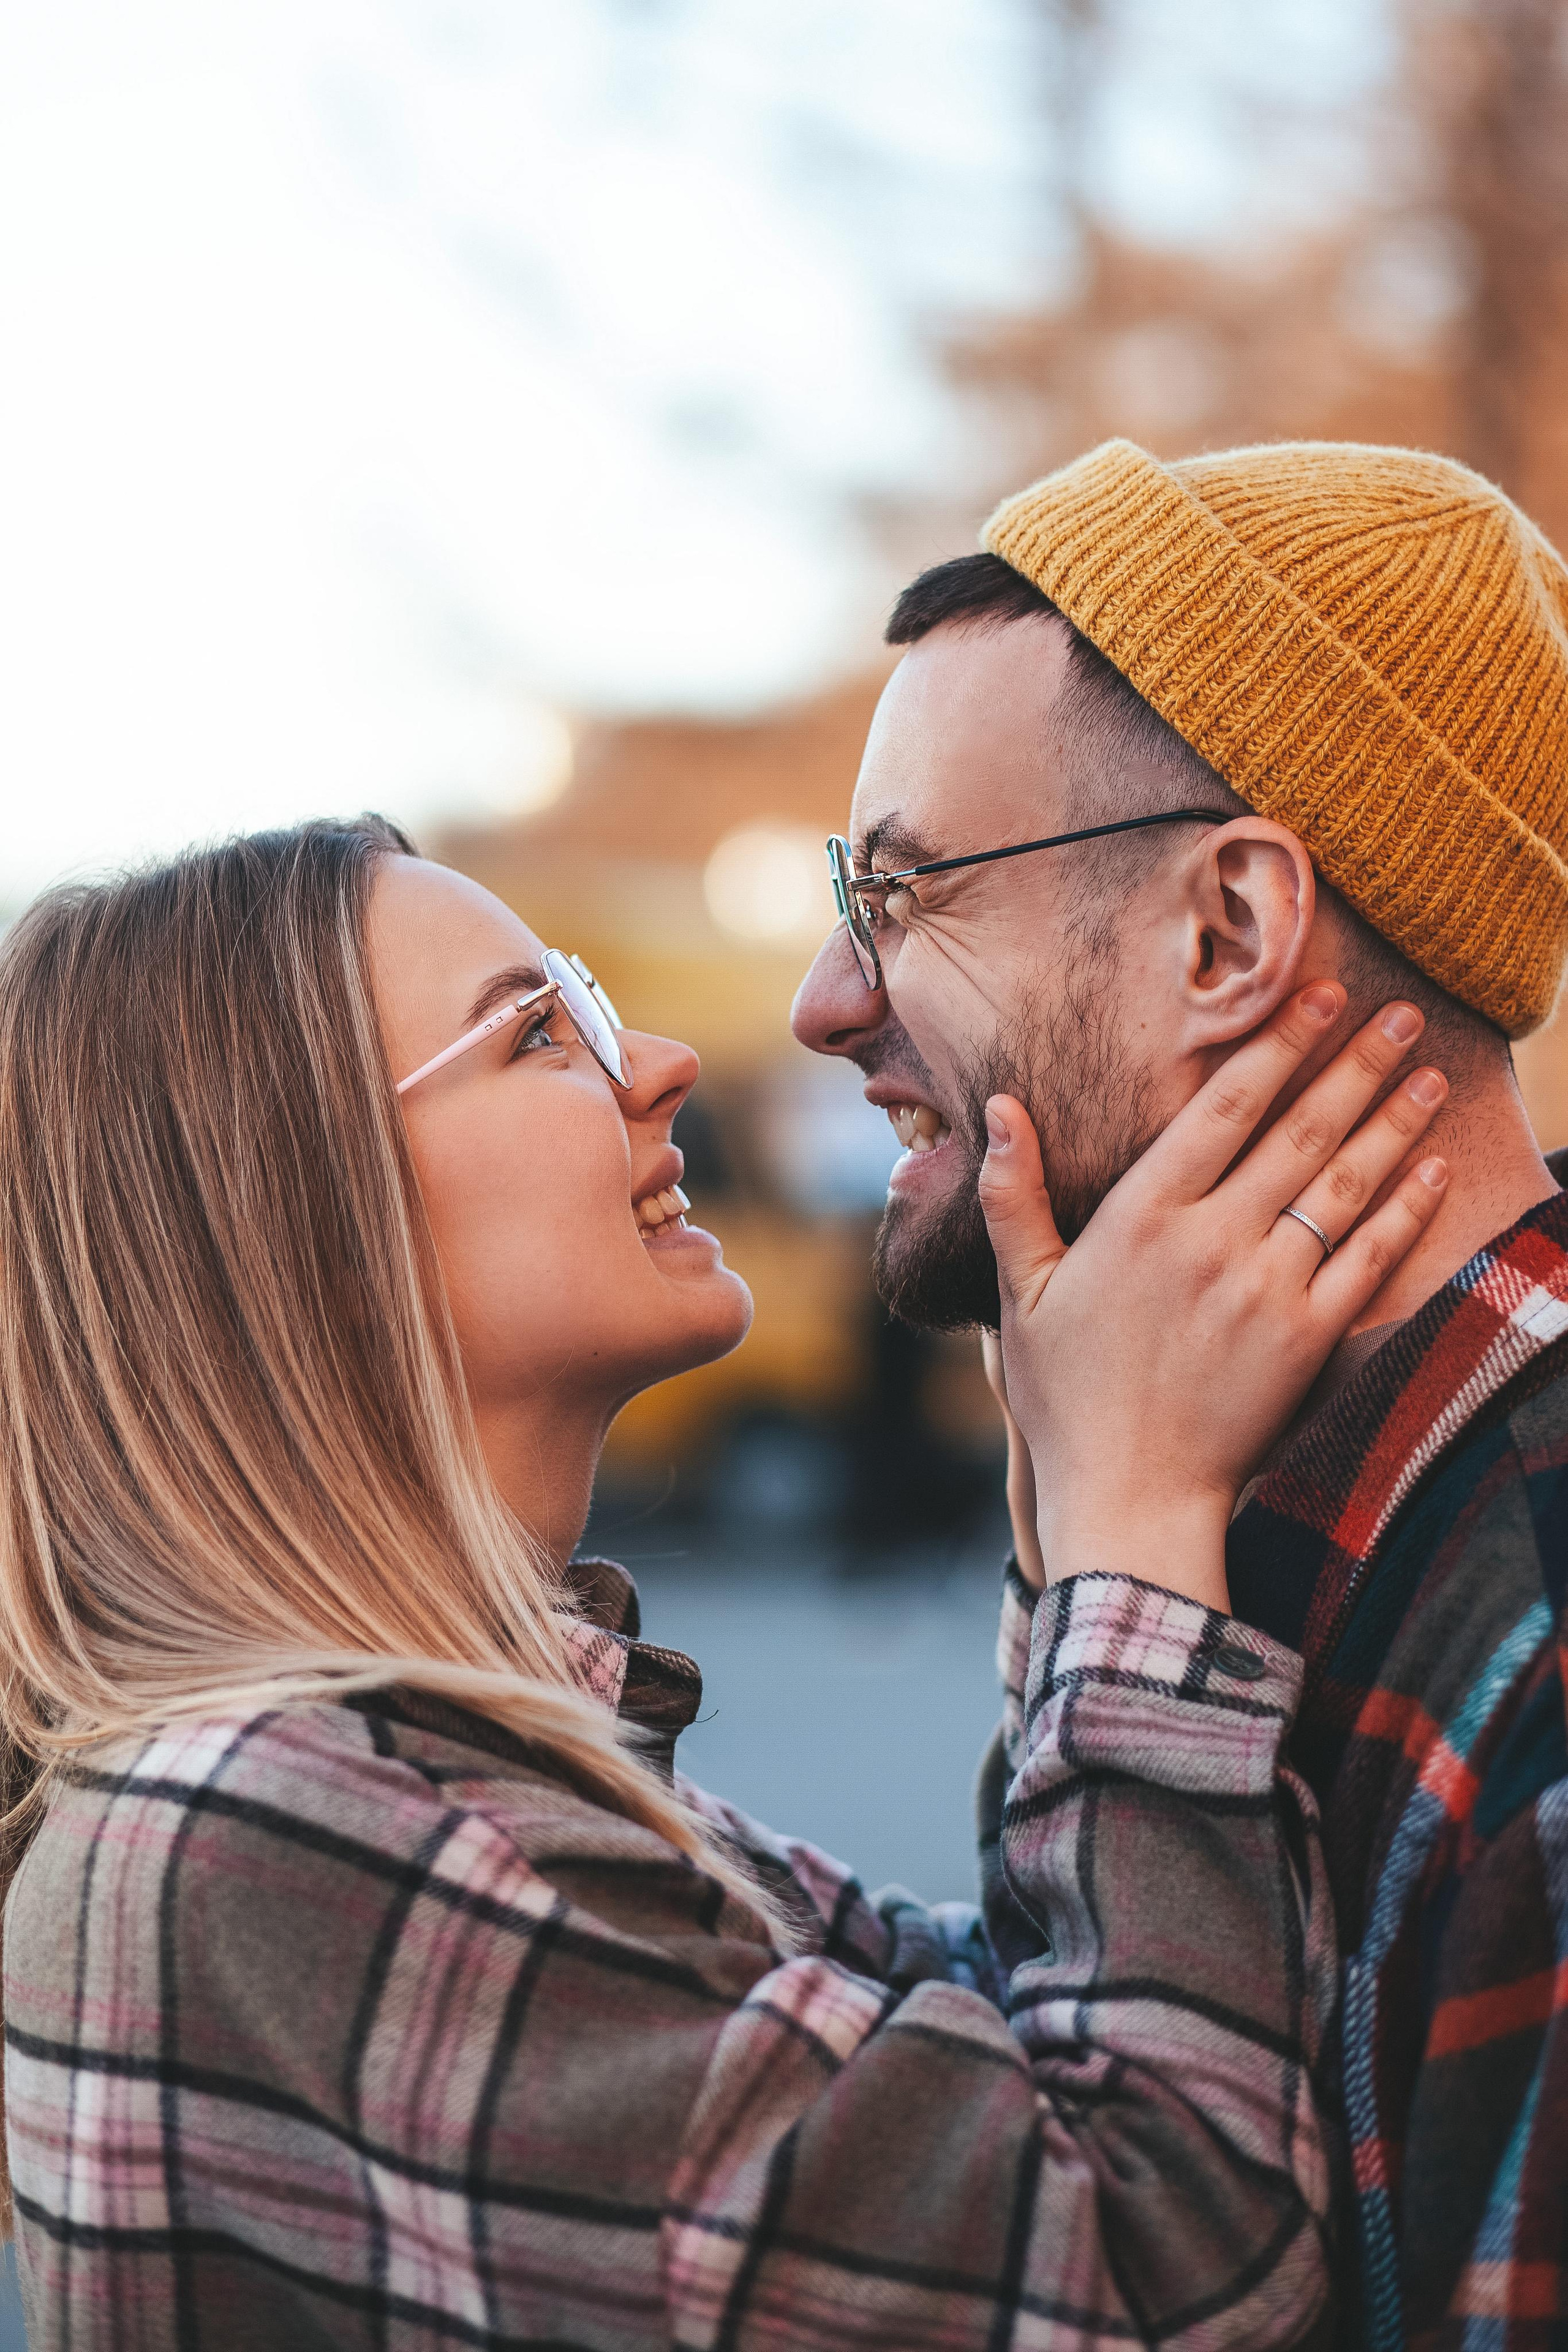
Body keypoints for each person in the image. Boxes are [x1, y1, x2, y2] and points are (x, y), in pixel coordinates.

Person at [0, 818, 1445, 2348]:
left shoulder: (392, 1764)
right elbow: (1168, 2274)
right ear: (302, 1221)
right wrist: (1135, 1517)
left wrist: (1067, 1514)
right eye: (537, 1030)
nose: (664, 1063)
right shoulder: (279, 1832)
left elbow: (990, 2040)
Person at [792, 435, 1568, 2345]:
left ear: (1227, 932)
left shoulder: (1542, 1634)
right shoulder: (1227, 1509)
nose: (825, 998)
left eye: (902, 892)